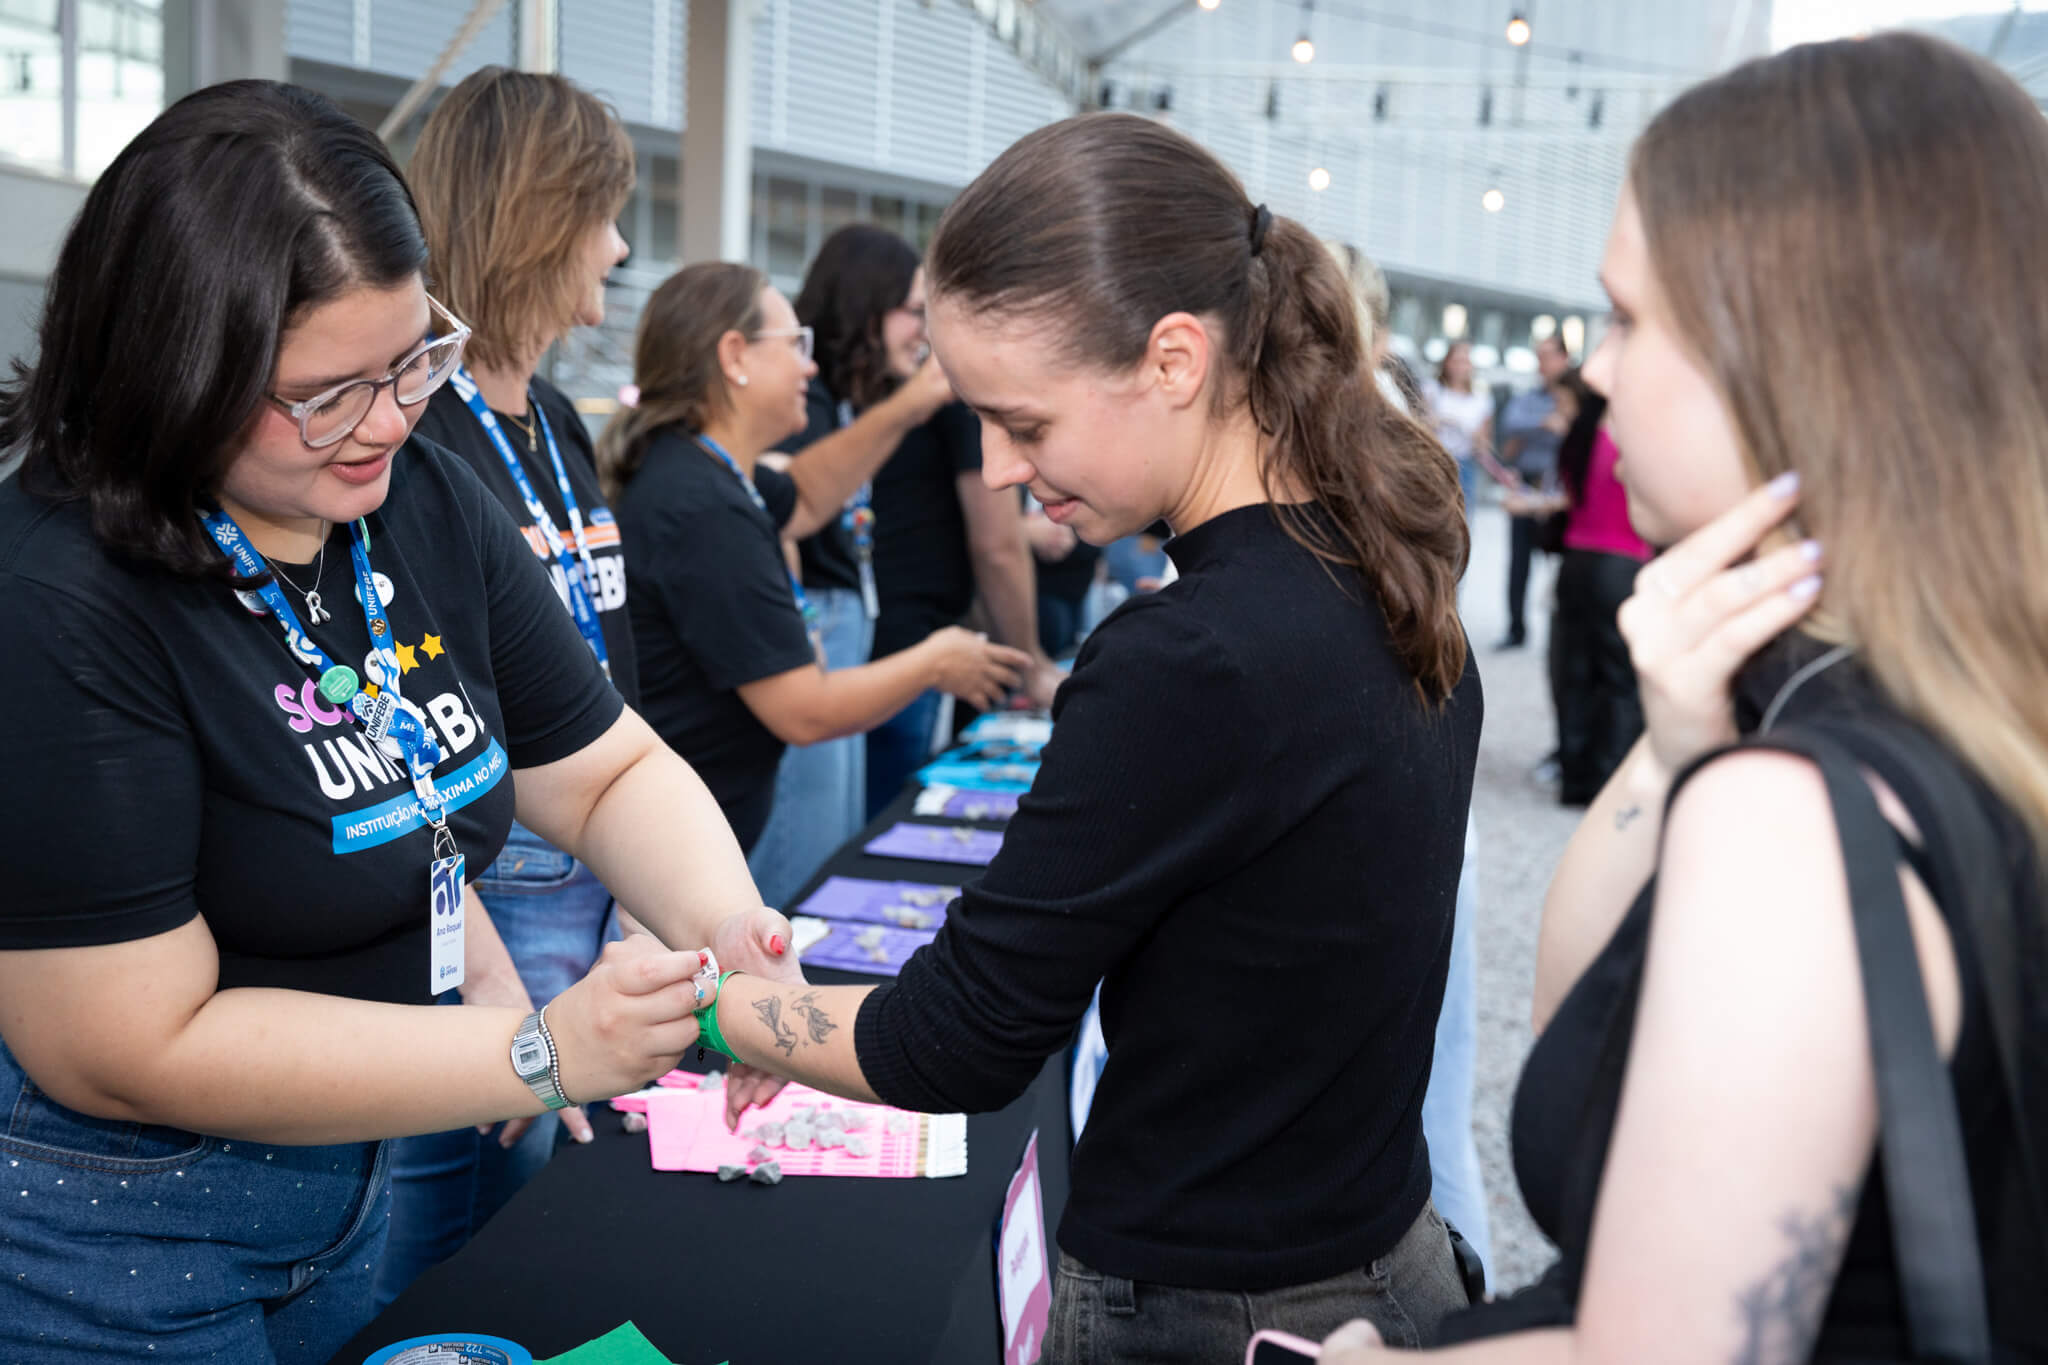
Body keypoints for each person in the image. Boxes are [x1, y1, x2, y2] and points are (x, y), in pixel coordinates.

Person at [0, 81, 795, 1365]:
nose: (388, 421)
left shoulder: (413, 495)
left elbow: (604, 771)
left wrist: (728, 927)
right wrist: (540, 1051)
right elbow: (124, 1046)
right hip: (108, 1236)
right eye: (327, 393)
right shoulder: (58, 599)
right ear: (175, 371)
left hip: (338, 1178)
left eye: (413, 360)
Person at [692, 113, 1483, 1361]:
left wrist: (719, 1017)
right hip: (1373, 1254)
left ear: (1173, 360)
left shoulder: (1193, 655)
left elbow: (959, 1036)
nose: (1001, 468)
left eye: (1025, 423)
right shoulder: (1371, 566)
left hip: (1215, 1303)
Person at [1319, 32, 2048, 1362]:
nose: (1597, 371)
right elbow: (1588, 1037)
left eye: (1629, 318)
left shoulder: (1799, 817)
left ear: (1798, 360)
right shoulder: (1936, 713)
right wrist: (1675, 743)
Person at [374, 65, 637, 1306]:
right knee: (444, 1240)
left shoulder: (558, 426)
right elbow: (385, 712)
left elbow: (610, 659)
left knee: (538, 1215)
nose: (620, 248)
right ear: (540, 215)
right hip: (480, 882)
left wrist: (641, 888)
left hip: (587, 860)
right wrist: (483, 959)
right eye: (605, 215)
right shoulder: (414, 431)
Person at [602, 263, 1029, 856]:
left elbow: (802, 497)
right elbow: (804, 711)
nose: (810, 367)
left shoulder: (708, 473)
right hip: (680, 843)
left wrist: (910, 404)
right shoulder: (703, 507)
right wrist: (936, 661)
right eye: (794, 345)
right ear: (734, 356)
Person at [1328, 237, 1495, 1285]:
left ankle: (1461, 1305)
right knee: (1434, 1095)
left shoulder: (1356, 431)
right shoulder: (1395, 429)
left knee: (1425, 1102)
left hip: (1391, 798)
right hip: (1423, 791)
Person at [747, 224, 939, 905]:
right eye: (913, 311)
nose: (923, 331)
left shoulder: (850, 400)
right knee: (803, 871)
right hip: (816, 632)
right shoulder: (813, 403)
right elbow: (786, 499)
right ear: (867, 305)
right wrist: (913, 403)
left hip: (841, 627)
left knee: (832, 850)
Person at [862, 315, 1066, 816]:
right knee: (892, 815)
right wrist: (1031, 664)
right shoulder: (958, 394)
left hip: (892, 635)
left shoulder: (921, 392)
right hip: (910, 645)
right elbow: (996, 543)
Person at [1543, 385, 1651, 806]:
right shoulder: (1635, 437)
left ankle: (1574, 779)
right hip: (1622, 564)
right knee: (1619, 680)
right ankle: (1607, 782)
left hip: (1576, 563)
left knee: (1573, 674)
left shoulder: (1581, 434)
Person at [1492, 334, 1574, 648]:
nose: (1542, 364)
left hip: (1561, 488)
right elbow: (1511, 424)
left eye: (1548, 356)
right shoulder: (1528, 398)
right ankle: (1516, 628)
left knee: (1565, 564)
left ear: (1564, 358)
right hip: (1528, 483)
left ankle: (1563, 635)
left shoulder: (1575, 394)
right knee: (1519, 561)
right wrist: (1546, 422)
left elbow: (1576, 428)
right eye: (1538, 356)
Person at [1424, 340, 1497, 523]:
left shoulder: (1481, 399)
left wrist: (1476, 439)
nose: (1460, 366)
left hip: (1465, 465)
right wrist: (1439, 422)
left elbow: (1485, 443)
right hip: (1435, 461)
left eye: (1465, 361)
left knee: (1461, 518)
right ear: (1446, 362)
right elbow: (1421, 423)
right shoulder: (1432, 390)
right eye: (1456, 360)